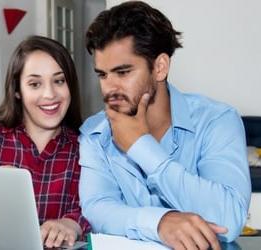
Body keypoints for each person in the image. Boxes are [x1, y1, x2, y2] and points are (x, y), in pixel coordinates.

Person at [78, 2, 251, 250]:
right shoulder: (95, 133)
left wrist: (140, 147)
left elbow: (228, 219)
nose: (109, 88)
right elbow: (98, 209)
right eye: (103, 75)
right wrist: (160, 223)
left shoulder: (217, 120)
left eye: (123, 72)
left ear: (160, 67)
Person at [0, 35, 90, 248]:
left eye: (59, 81)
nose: (49, 94)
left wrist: (71, 223)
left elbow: (95, 208)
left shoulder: (85, 145)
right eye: (35, 84)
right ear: (17, 91)